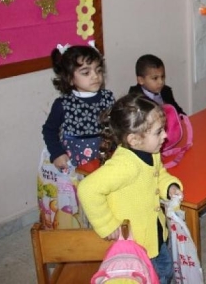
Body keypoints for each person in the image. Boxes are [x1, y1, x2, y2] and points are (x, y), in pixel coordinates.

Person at [78, 94, 183, 284]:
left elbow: (158, 173)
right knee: (154, 276)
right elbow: (87, 188)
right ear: (134, 140)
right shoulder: (125, 165)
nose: (165, 136)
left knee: (165, 272)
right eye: (159, 132)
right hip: (137, 246)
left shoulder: (151, 152)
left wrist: (169, 186)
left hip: (155, 235)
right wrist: (107, 224)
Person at [39, 45, 115, 229]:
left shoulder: (107, 97)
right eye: (86, 72)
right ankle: (83, 232)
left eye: (98, 70)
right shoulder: (63, 104)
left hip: (104, 156)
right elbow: (49, 130)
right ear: (70, 78)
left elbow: (116, 125)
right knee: (81, 200)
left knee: (104, 195)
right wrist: (57, 153)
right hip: (75, 163)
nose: (95, 76)